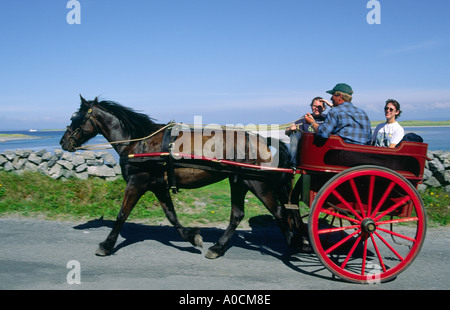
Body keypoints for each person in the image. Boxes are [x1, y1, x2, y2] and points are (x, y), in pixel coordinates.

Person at [305, 83, 372, 145]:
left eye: (333, 95)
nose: (331, 98)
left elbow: (323, 134)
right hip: (362, 155)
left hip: (341, 154)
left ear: (340, 96)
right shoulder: (363, 114)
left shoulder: (334, 112)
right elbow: (369, 140)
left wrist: (312, 123)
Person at [285, 97, 329, 167]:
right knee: (294, 135)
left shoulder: (327, 118)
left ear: (324, 108)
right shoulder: (305, 118)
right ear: (311, 107)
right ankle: (293, 164)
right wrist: (290, 129)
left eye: (319, 107)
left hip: (322, 151)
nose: (316, 108)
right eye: (314, 106)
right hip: (307, 152)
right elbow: (287, 131)